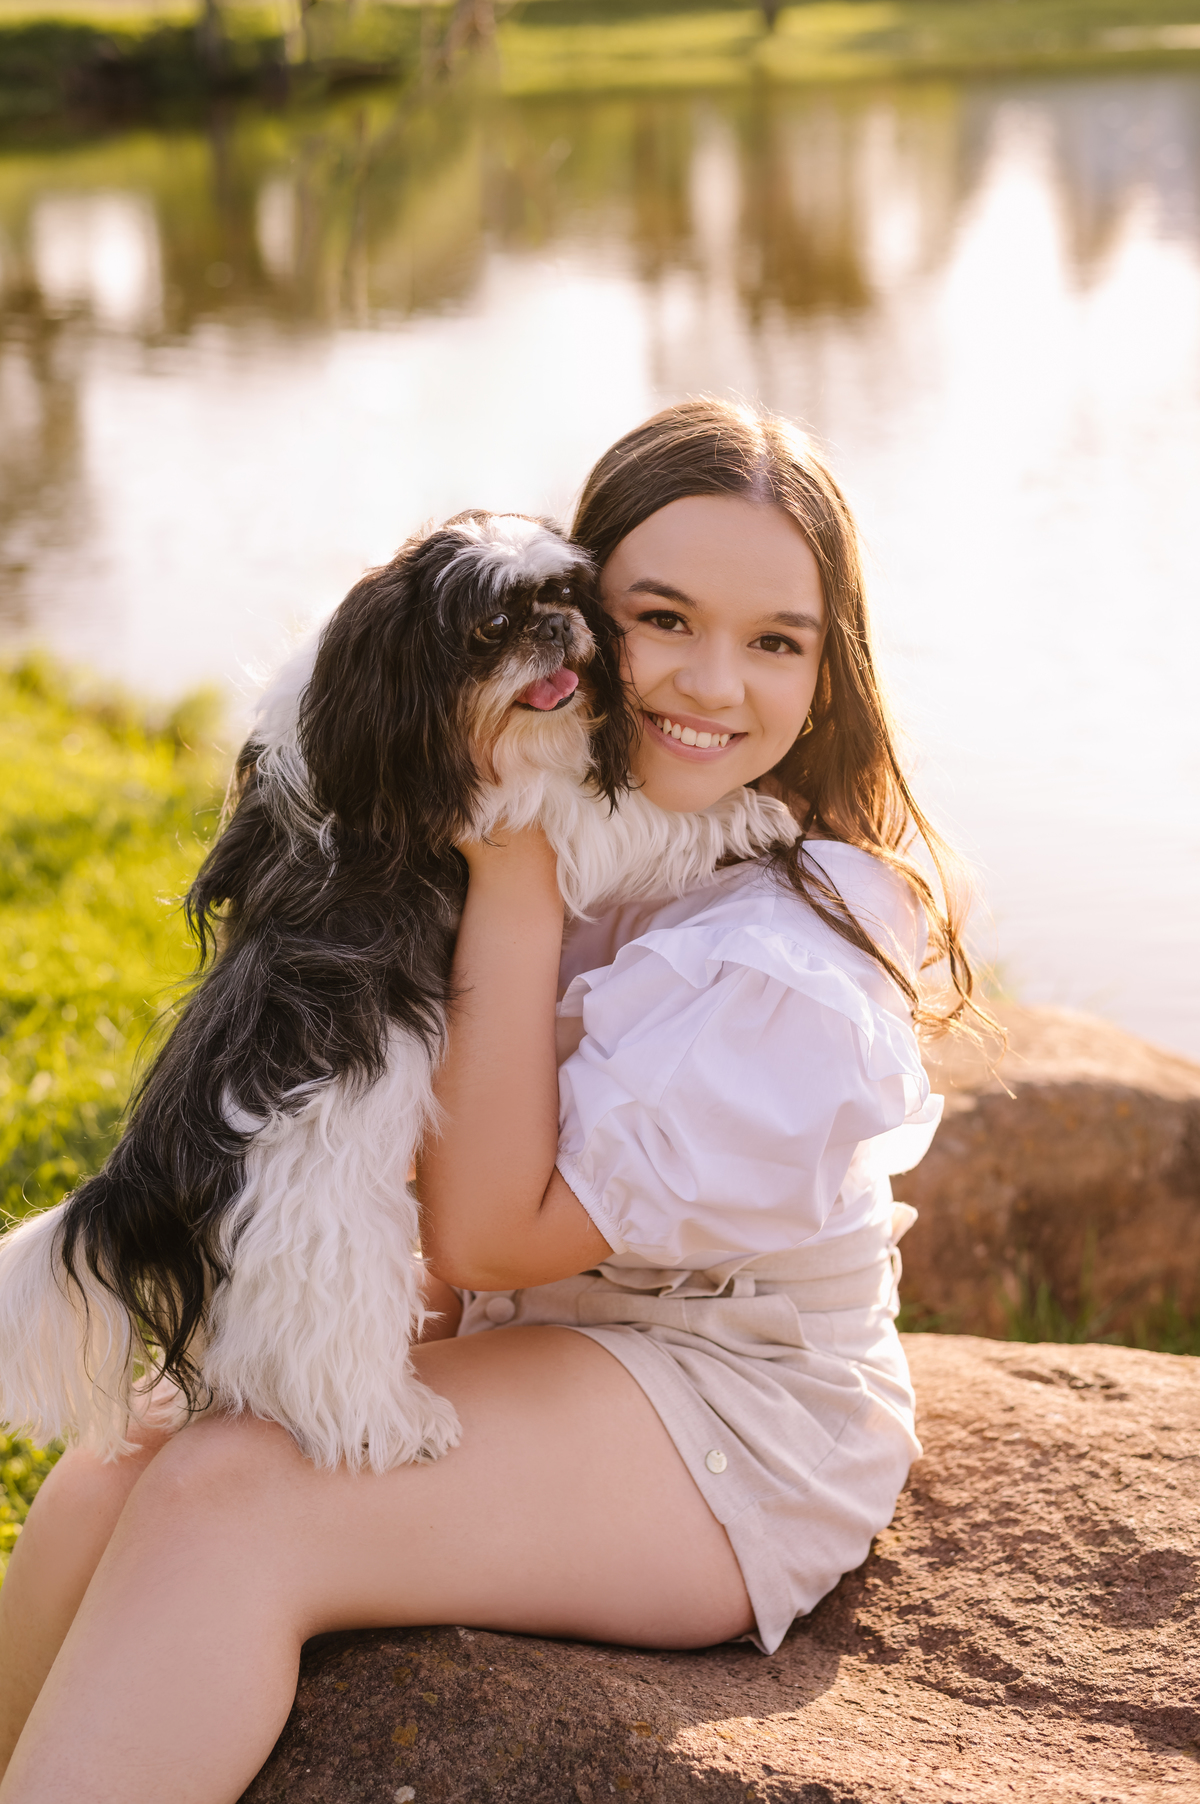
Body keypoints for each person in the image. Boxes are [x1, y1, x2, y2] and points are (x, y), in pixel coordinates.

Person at [0, 399, 976, 1802]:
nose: (710, 681)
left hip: (730, 1400)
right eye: (660, 616)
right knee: (118, 1467)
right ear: (573, 612)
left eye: (777, 641)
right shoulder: (562, 807)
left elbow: (491, 1237)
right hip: (555, 1343)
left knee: (227, 1505)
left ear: (833, 676)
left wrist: (511, 882)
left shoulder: (778, 960)